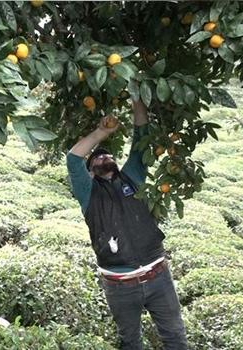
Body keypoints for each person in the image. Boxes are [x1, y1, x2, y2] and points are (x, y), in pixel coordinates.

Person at [66, 100, 187, 349]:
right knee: (130, 342)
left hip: (158, 276)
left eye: (108, 156)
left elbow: (141, 137)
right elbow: (73, 158)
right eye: (97, 159)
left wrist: (137, 99)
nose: (104, 158)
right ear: (89, 172)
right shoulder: (89, 194)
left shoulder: (131, 178)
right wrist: (102, 132)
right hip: (120, 286)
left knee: (175, 337)